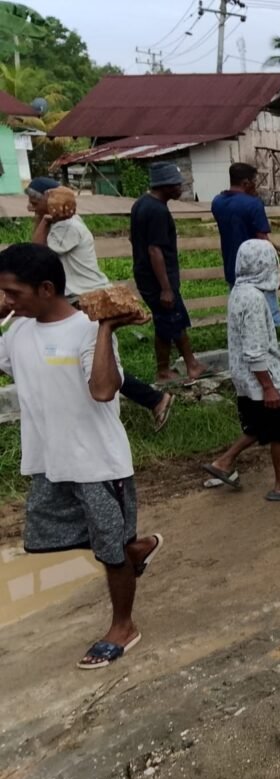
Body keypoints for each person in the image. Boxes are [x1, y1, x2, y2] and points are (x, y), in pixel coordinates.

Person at [0, 243, 162, 669]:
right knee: (60, 536)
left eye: (12, 293)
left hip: (97, 463)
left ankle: (123, 626)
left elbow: (104, 390)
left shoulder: (87, 330)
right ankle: (135, 547)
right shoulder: (18, 331)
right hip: (51, 462)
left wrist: (106, 329)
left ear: (47, 288)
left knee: (108, 549)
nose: (6, 301)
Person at [23, 177, 174, 430]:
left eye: (34, 202)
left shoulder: (65, 226)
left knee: (100, 363)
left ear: (51, 202)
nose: (29, 208)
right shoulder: (59, 224)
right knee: (90, 361)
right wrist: (44, 216)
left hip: (90, 301)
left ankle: (155, 400)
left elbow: (35, 254)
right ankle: (151, 400)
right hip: (79, 300)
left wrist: (46, 218)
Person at [201, 240, 280, 501]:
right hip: (264, 377)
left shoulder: (239, 291)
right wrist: (269, 386)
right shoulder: (254, 299)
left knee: (259, 425)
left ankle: (224, 462)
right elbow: (254, 348)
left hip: (246, 376)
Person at [129, 162, 206, 383]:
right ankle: (184, 366)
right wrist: (165, 288)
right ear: (165, 185)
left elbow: (134, 239)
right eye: (177, 184)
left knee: (168, 321)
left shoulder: (141, 204)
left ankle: (174, 367)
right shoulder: (157, 211)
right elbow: (155, 250)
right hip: (158, 279)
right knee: (173, 318)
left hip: (146, 274)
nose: (181, 188)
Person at [211, 162, 280, 328]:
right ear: (246, 183)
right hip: (257, 268)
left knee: (239, 308)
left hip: (233, 264)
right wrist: (277, 271)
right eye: (254, 181)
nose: (256, 185)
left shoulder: (217, 202)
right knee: (270, 312)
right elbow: (262, 239)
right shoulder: (253, 204)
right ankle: (279, 340)